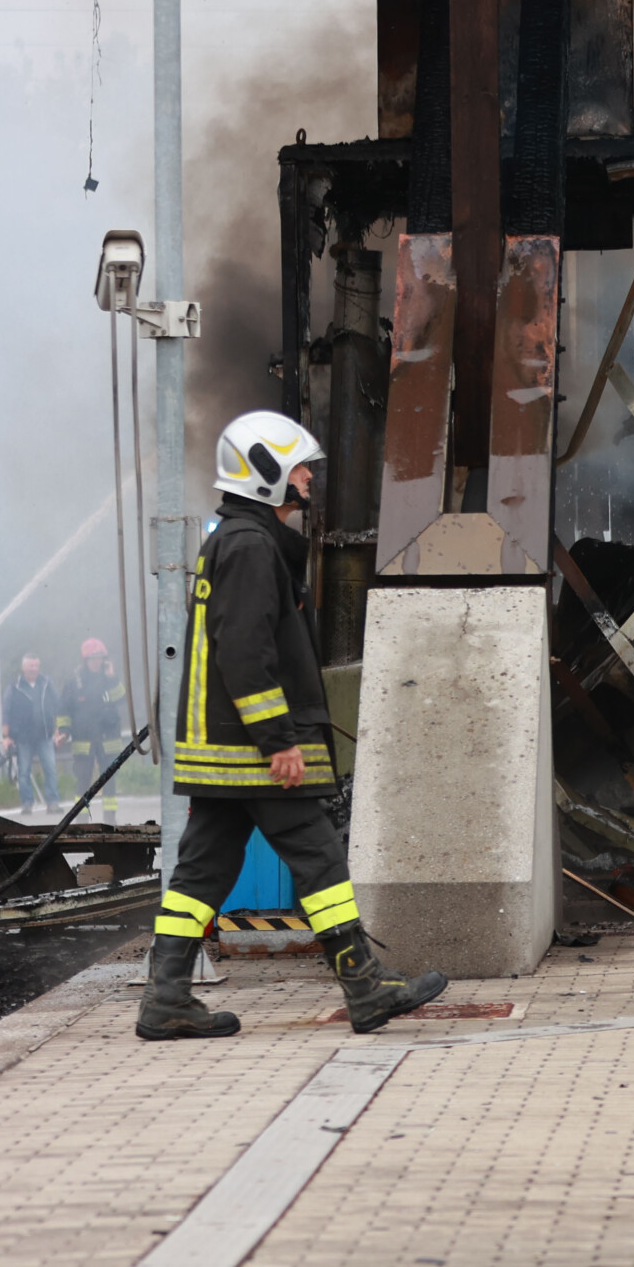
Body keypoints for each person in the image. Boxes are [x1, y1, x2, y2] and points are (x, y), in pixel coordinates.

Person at [140, 409, 446, 1042]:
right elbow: (246, 652)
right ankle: (365, 986)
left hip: (223, 752)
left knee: (199, 874)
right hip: (253, 752)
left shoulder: (237, 541)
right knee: (319, 856)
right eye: (300, 466)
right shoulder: (251, 547)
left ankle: (165, 998)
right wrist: (278, 740)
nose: (308, 477)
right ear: (266, 471)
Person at [0, 653, 67, 816]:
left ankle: (53, 803)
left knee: (50, 769)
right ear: (23, 667)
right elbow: (6, 711)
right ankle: (27, 804)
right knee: (23, 772)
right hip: (23, 737)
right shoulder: (14, 686)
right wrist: (6, 737)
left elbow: (58, 706)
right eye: (30, 666)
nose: (33, 669)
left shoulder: (46, 683)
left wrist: (59, 729)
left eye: (36, 666)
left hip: (45, 735)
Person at [68, 638, 127, 820]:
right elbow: (64, 709)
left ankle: (110, 818)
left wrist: (112, 677)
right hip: (83, 739)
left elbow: (121, 697)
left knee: (109, 779)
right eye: (93, 658)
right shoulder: (75, 682)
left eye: (100, 658)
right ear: (85, 660)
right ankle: (81, 819)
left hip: (108, 739)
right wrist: (63, 730)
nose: (97, 662)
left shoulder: (109, 679)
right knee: (83, 780)